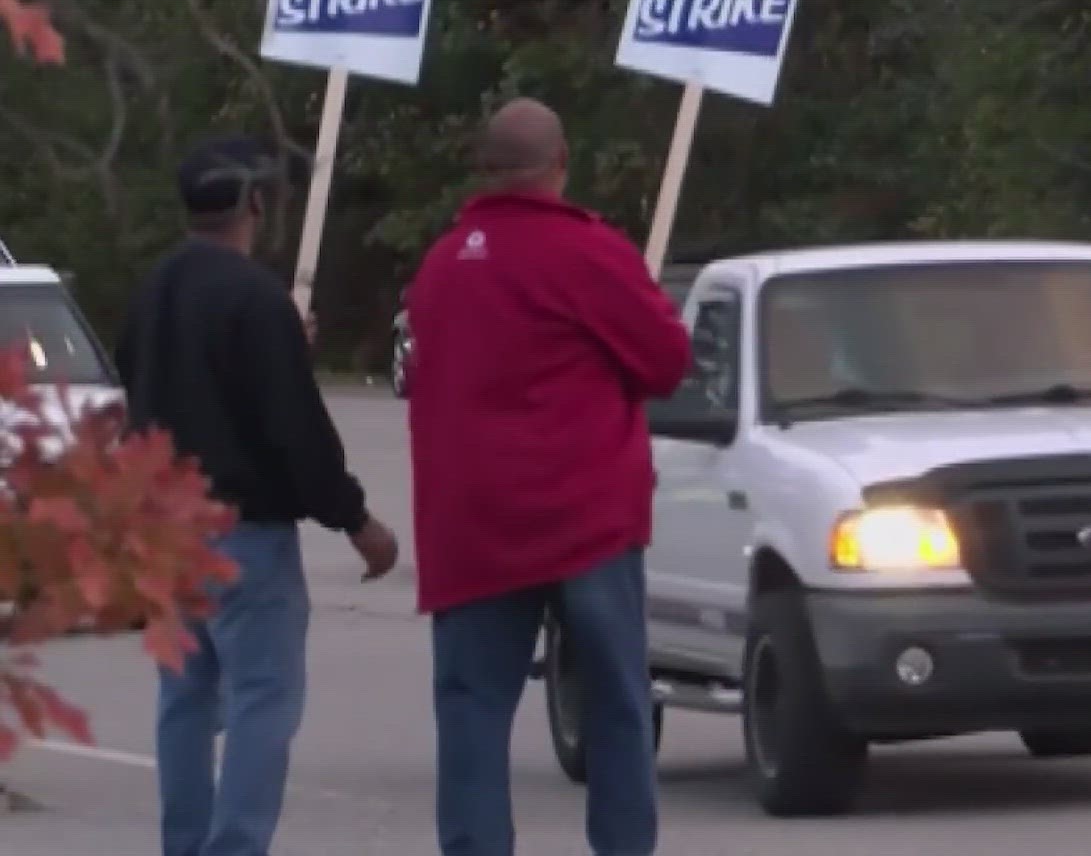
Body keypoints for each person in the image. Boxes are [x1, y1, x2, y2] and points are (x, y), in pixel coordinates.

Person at [407, 99, 691, 856]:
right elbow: (666, 363)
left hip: (474, 526)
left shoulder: (441, 267)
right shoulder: (589, 254)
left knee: (472, 709)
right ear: (559, 164)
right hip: (586, 518)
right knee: (617, 704)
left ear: (483, 169)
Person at [116, 136, 401, 856]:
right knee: (260, 701)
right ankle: (235, 845)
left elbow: (148, 392)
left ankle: (184, 841)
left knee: (184, 699)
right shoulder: (255, 299)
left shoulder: (152, 293)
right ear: (253, 203)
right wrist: (355, 519)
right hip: (241, 533)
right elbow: (293, 428)